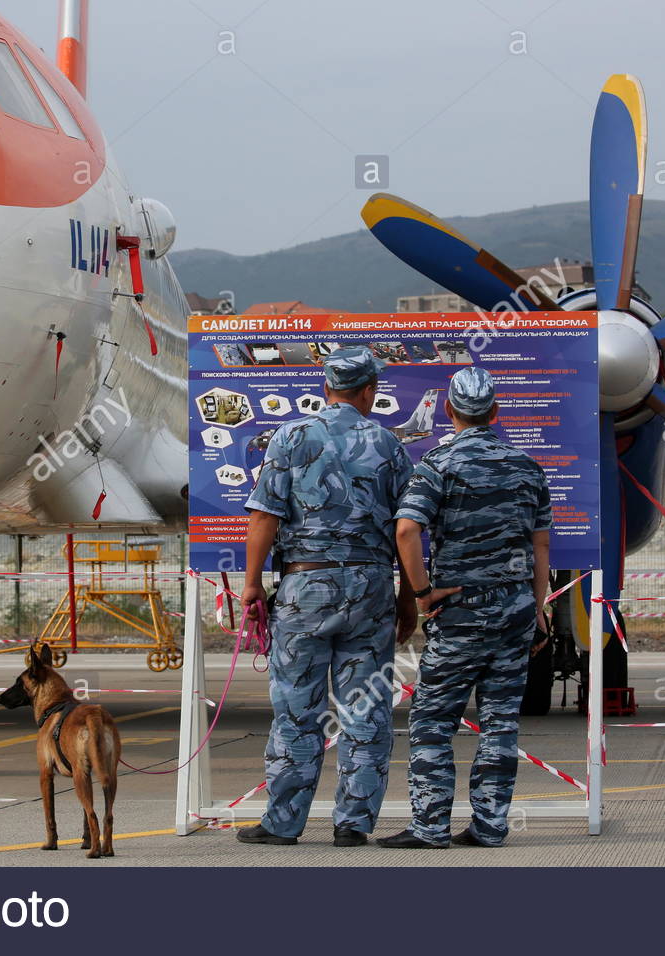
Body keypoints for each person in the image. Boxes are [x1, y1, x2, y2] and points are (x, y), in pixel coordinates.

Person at [235, 345, 416, 847]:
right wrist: (406, 600)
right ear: (368, 392)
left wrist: (252, 585)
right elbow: (407, 528)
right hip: (371, 590)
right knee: (366, 710)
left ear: (324, 388)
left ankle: (283, 822)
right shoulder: (389, 444)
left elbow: (264, 518)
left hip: (304, 590)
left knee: (296, 709)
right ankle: (354, 825)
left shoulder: (290, 437)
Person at [378, 365, 551, 849]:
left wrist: (420, 592)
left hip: (460, 612)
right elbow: (541, 547)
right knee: (501, 721)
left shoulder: (437, 465)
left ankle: (430, 826)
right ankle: (491, 825)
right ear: (495, 411)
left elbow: (407, 530)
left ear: (450, 411)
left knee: (433, 718)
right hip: (516, 607)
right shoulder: (527, 468)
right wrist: (536, 609)